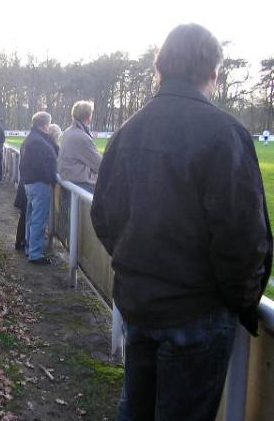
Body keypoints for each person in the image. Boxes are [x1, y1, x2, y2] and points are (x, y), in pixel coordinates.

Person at [91, 23, 272, 421]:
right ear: (213, 73)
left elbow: (103, 215)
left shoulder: (127, 131)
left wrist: (137, 269)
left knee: (135, 411)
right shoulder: (224, 133)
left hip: (139, 306)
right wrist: (238, 301)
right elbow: (243, 240)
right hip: (197, 314)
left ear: (161, 68)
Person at [19, 111, 59, 265]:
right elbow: (42, 166)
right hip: (39, 184)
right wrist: (52, 179)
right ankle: (35, 253)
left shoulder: (33, 138)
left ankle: (31, 249)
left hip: (31, 183)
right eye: (49, 124)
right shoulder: (38, 141)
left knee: (31, 218)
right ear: (44, 124)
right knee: (38, 220)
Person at [58, 101, 101, 193]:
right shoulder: (82, 137)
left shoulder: (68, 132)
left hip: (69, 182)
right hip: (81, 186)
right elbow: (99, 164)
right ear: (89, 117)